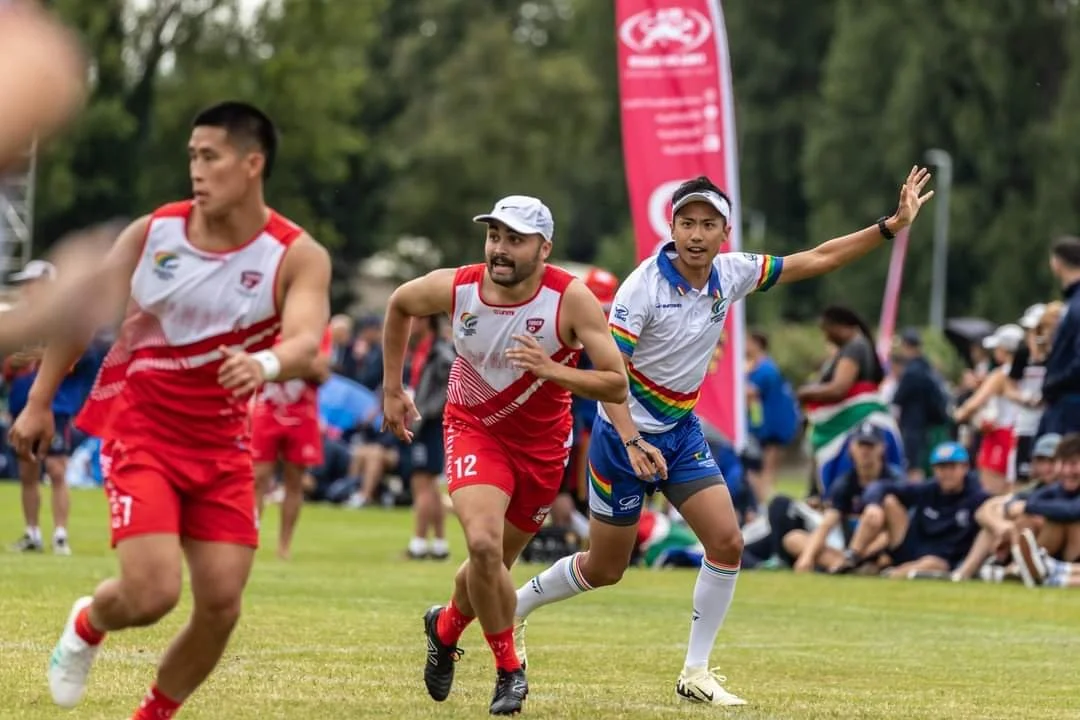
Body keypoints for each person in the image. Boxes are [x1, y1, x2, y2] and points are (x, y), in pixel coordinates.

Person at [512, 167, 934, 706]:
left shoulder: (732, 273)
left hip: (680, 433)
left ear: (724, 233)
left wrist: (891, 226)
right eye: (685, 222)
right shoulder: (641, 287)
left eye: (707, 224)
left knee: (728, 542)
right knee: (605, 567)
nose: (694, 233)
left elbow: (817, 258)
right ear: (671, 226)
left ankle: (696, 672)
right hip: (622, 439)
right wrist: (633, 442)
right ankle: (518, 607)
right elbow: (609, 376)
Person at [9, 101, 331, 719]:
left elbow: (304, 337)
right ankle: (87, 621)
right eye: (192, 157)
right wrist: (41, 402)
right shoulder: (152, 233)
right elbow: (80, 318)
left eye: (210, 156)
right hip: (142, 431)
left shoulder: (296, 254)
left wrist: (263, 365)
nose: (197, 170)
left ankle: (153, 714)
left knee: (221, 606)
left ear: (252, 164)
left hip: (223, 446)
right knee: (153, 592)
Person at [380, 195, 627, 715]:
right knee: (485, 548)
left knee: (489, 567)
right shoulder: (460, 285)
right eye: (495, 236)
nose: (500, 249)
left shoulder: (570, 299)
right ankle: (509, 670)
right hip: (474, 429)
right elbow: (400, 302)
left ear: (544, 248)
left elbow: (615, 384)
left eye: (515, 239)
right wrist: (391, 388)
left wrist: (553, 370)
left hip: (541, 448)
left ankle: (444, 627)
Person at [5, 261, 102, 555]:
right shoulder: (24, 321)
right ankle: (32, 532)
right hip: (22, 407)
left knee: (57, 469)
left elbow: (85, 358)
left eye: (31, 282)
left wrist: (42, 355)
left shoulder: (69, 319)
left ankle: (60, 535)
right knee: (27, 472)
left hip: (55, 408)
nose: (26, 289)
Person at [837, 442, 990, 578]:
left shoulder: (976, 497)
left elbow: (994, 506)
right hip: (913, 546)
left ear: (965, 467)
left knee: (932, 563)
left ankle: (891, 573)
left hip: (943, 559)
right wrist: (872, 504)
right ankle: (852, 557)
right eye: (942, 468)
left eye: (952, 467)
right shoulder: (928, 489)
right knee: (888, 501)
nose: (947, 473)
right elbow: (882, 486)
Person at [799, 305, 905, 495]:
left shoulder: (855, 347)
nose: (826, 337)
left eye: (827, 330)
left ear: (839, 326)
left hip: (850, 423)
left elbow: (839, 388)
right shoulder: (856, 346)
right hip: (849, 422)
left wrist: (805, 393)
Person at [252, 326, 333, 560]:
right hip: (267, 409)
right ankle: (250, 539)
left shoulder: (319, 327)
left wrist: (277, 362)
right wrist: (299, 364)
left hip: (303, 413)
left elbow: (321, 370)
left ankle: (284, 546)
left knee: (294, 482)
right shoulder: (269, 319)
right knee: (258, 478)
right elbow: (254, 365)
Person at [405, 314, 455, 560]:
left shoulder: (440, 353)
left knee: (421, 482)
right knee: (432, 485)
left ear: (426, 321)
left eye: (414, 319)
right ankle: (439, 544)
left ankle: (418, 543)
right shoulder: (425, 349)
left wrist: (426, 413)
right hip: (429, 423)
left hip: (431, 424)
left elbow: (450, 387)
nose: (410, 324)